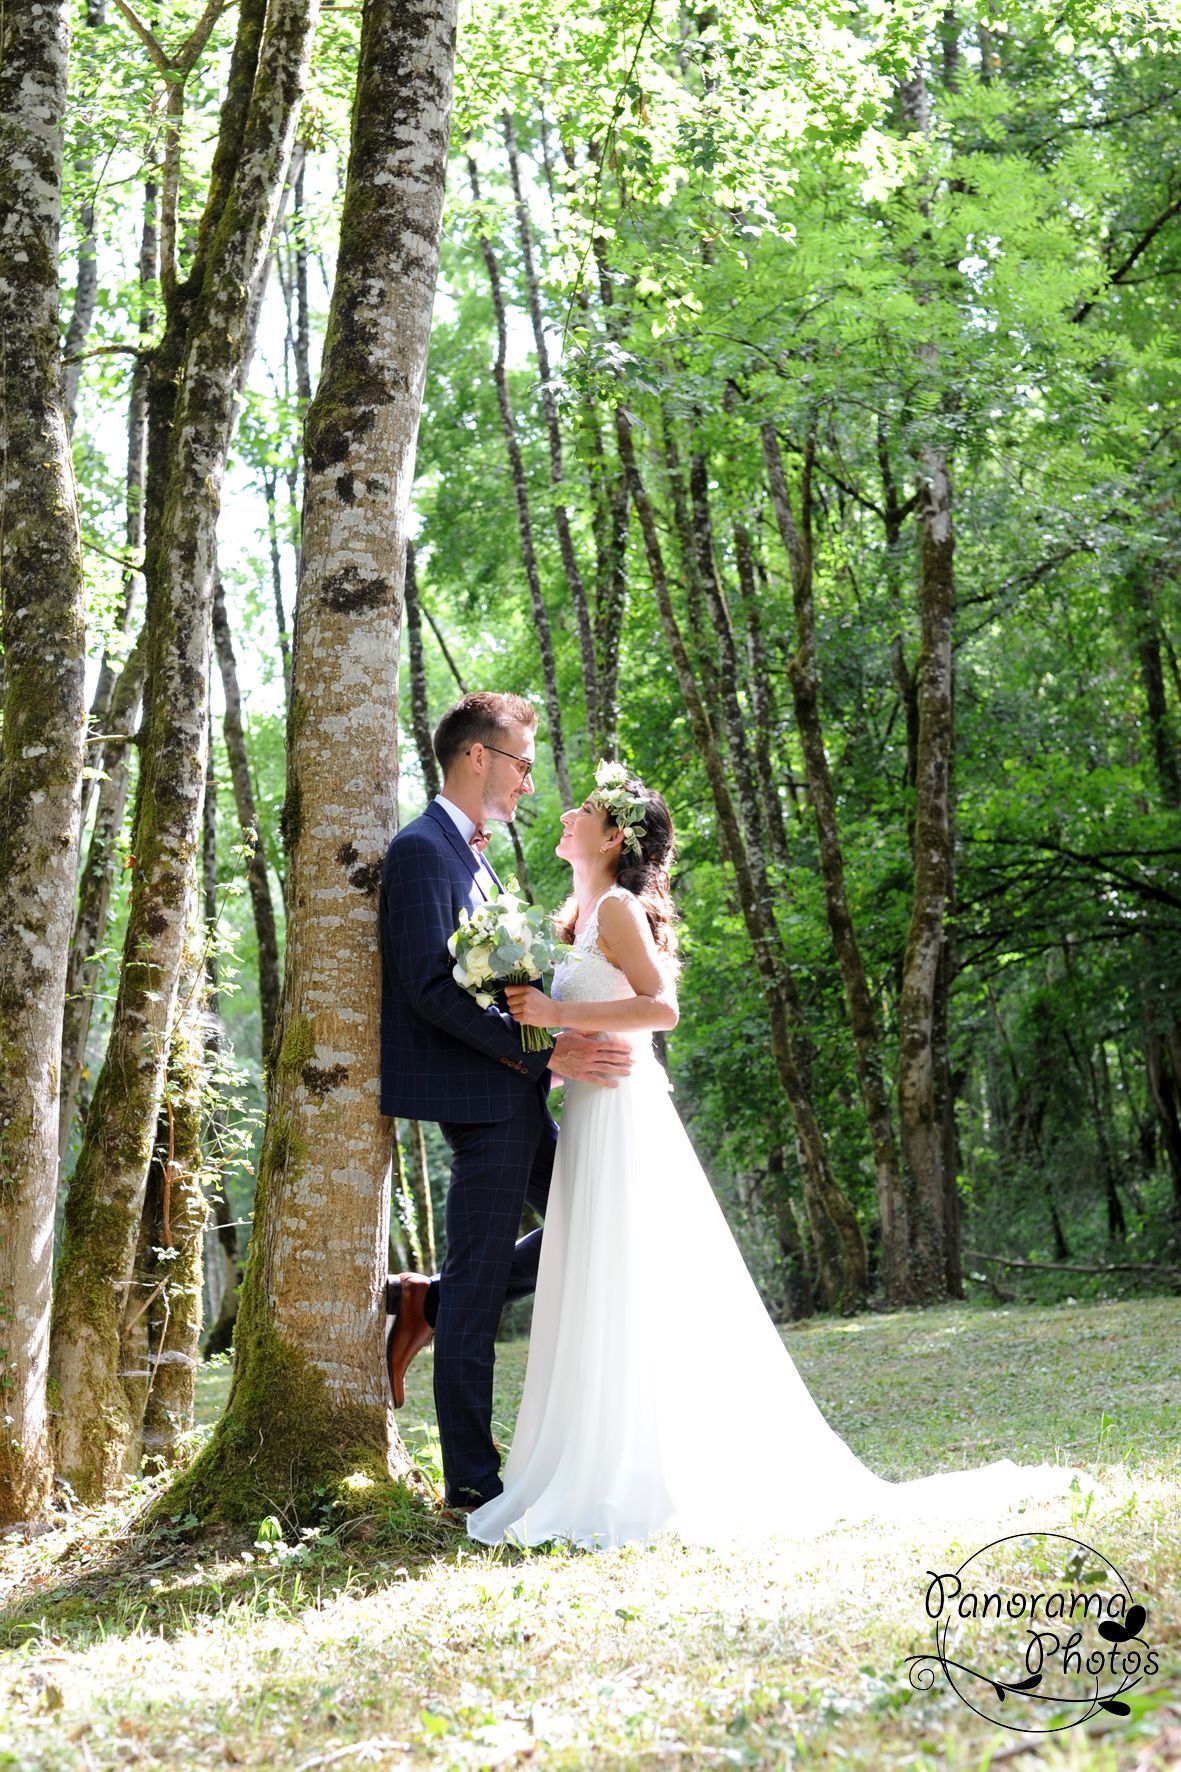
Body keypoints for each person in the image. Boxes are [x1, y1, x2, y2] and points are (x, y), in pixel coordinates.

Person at [466, 764, 1069, 1550]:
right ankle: (598, 1450)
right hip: (587, 1109)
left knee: (626, 1273)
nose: (566, 814)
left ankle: (640, 1467)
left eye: (582, 808)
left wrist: (551, 1014)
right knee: (595, 1275)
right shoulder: (575, 913)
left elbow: (661, 1008)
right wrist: (548, 1038)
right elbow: (578, 1020)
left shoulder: (616, 908)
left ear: (613, 836)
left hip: (621, 1112)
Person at [379, 694, 633, 1512]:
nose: (529, 782)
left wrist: (546, 1037)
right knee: (487, 1290)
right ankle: (472, 1486)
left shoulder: (473, 857)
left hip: (516, 1091)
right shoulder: (421, 851)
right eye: (522, 762)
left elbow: (491, 981)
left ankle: (432, 1297)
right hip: (482, 1103)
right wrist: (544, 1045)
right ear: (477, 757)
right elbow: (427, 990)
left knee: (596, 1221)